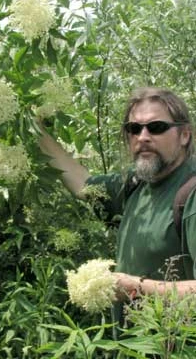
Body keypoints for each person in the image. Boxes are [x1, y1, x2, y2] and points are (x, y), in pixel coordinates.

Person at [38, 87, 196, 302]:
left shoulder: (191, 195)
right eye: (134, 129)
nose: (143, 137)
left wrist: (137, 288)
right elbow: (83, 184)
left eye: (156, 127)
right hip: (130, 336)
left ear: (184, 135)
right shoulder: (135, 184)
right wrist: (34, 128)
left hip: (172, 336)